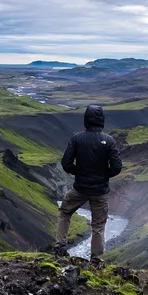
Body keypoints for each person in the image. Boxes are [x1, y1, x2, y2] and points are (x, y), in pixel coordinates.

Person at [54, 105, 122, 263]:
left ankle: (59, 248)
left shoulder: (77, 138)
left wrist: (77, 172)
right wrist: (104, 175)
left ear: (86, 119)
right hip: (100, 191)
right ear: (102, 120)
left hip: (80, 188)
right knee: (98, 225)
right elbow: (117, 167)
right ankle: (97, 260)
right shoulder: (109, 140)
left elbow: (66, 163)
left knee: (65, 212)